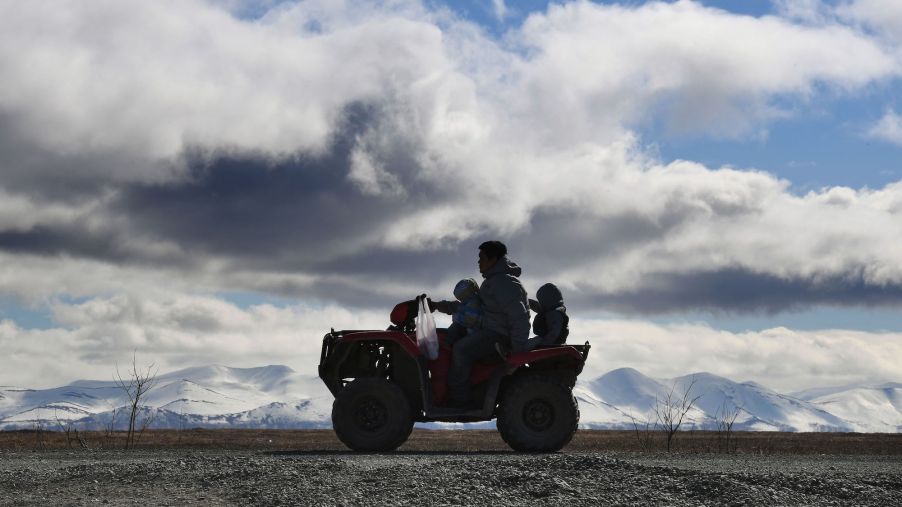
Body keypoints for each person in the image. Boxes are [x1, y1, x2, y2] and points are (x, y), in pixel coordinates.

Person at [444, 240, 530, 408]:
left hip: (498, 335)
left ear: (494, 259)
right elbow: (472, 307)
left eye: (482, 258)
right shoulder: (494, 281)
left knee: (461, 349)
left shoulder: (503, 283)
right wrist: (438, 306)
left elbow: (519, 317)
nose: (479, 262)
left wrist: (517, 351)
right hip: (490, 330)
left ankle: (459, 401)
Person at [435, 278, 483, 347]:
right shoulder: (467, 303)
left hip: (473, 333)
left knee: (455, 328)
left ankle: (448, 344)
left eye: (461, 296)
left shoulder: (474, 303)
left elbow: (471, 320)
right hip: (470, 332)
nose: (460, 299)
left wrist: (456, 317)